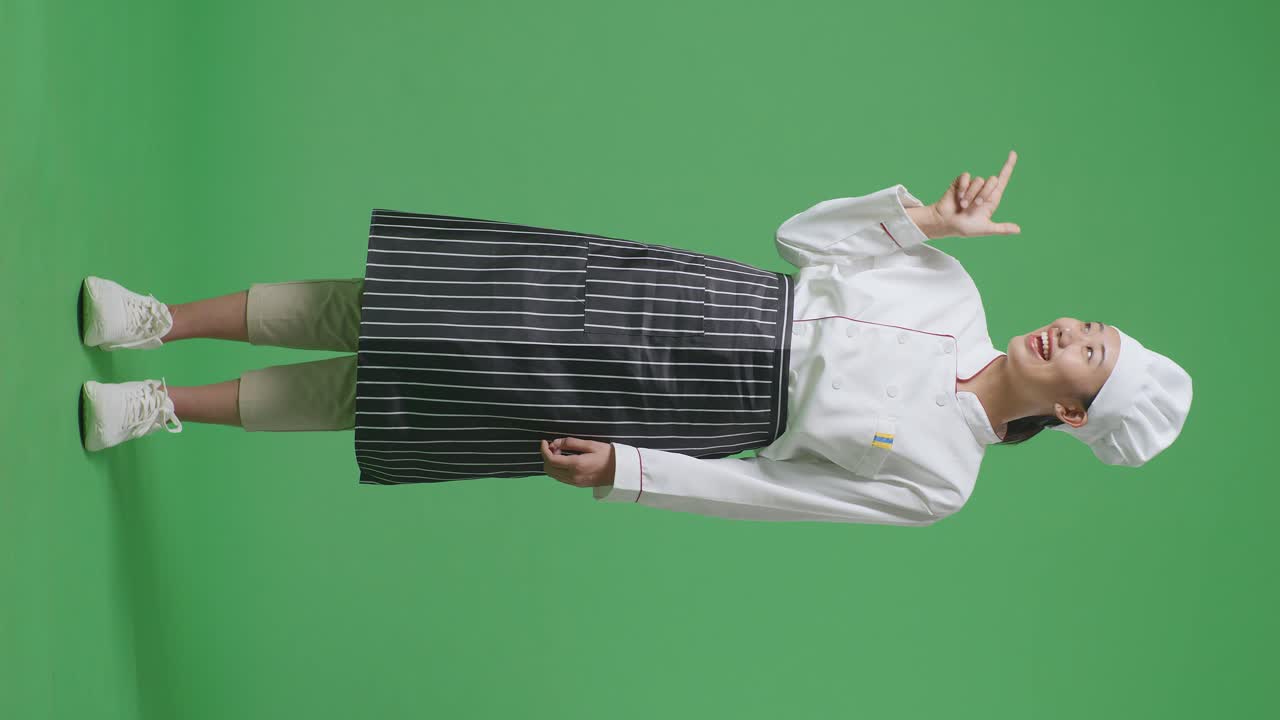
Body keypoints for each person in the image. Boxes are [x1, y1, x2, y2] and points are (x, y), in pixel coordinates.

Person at [79, 150, 1192, 527]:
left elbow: (775, 493)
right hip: (690, 300)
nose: (1068, 333)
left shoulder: (942, 479)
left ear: (1076, 413)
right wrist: (919, 221)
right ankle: (159, 321)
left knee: (404, 395)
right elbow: (797, 237)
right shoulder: (948, 286)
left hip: (686, 410)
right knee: (406, 299)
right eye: (1089, 325)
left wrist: (632, 471)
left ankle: (162, 408)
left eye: (1088, 354)